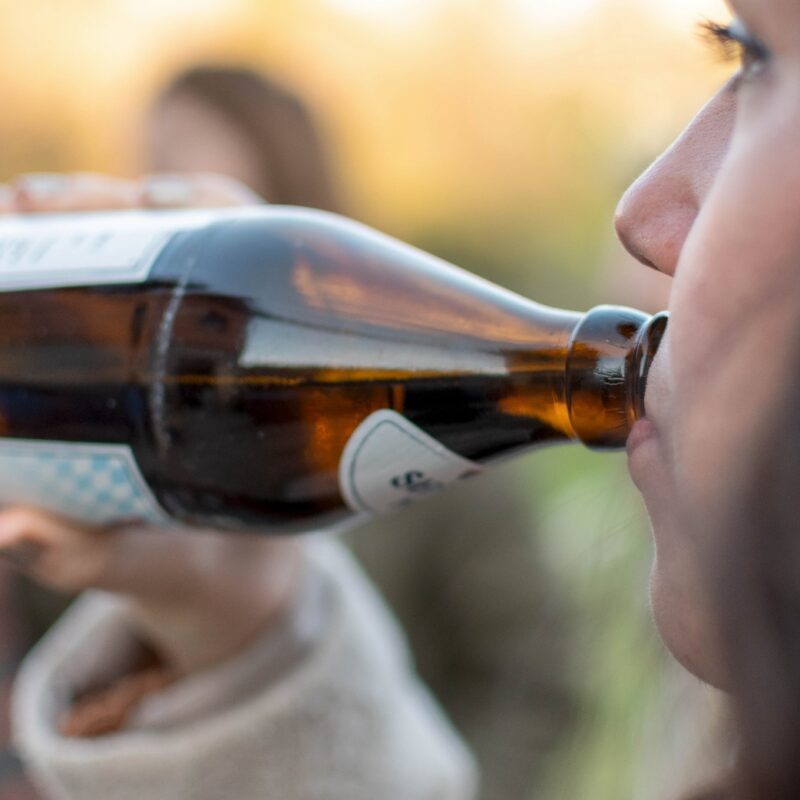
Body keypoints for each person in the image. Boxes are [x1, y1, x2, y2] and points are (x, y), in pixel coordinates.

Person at [0, 0, 796, 795]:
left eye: (752, 54)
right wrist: (232, 623)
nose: (639, 215)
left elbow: (530, 682)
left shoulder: (450, 431)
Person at [6, 65, 576, 799]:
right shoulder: (102, 387)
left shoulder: (439, 403)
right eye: (144, 154)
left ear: (276, 163)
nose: (145, 181)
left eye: (178, 155)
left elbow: (530, 681)